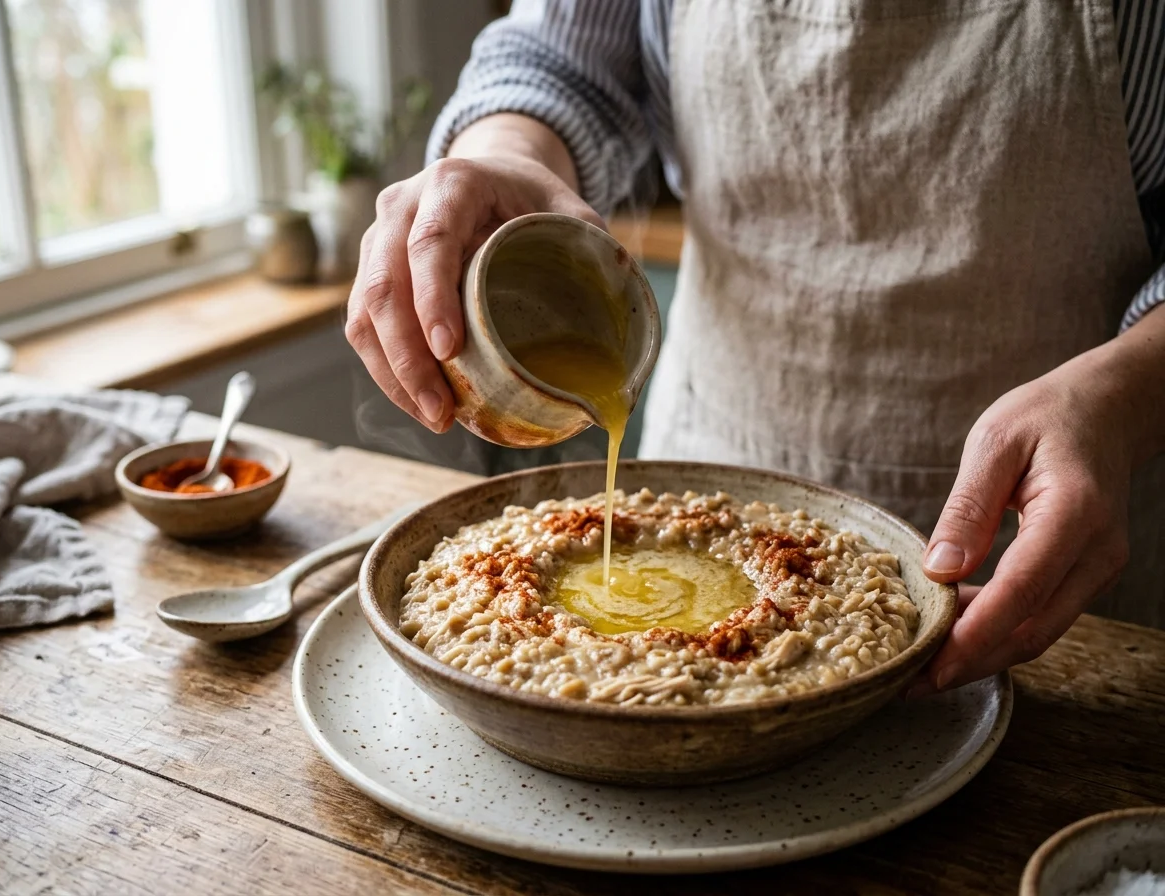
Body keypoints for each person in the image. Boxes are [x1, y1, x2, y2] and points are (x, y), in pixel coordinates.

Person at [345, 0, 1165, 697]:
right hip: (705, 440)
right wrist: (502, 154)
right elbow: (561, 57)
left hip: (1073, 533)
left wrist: (1124, 396)